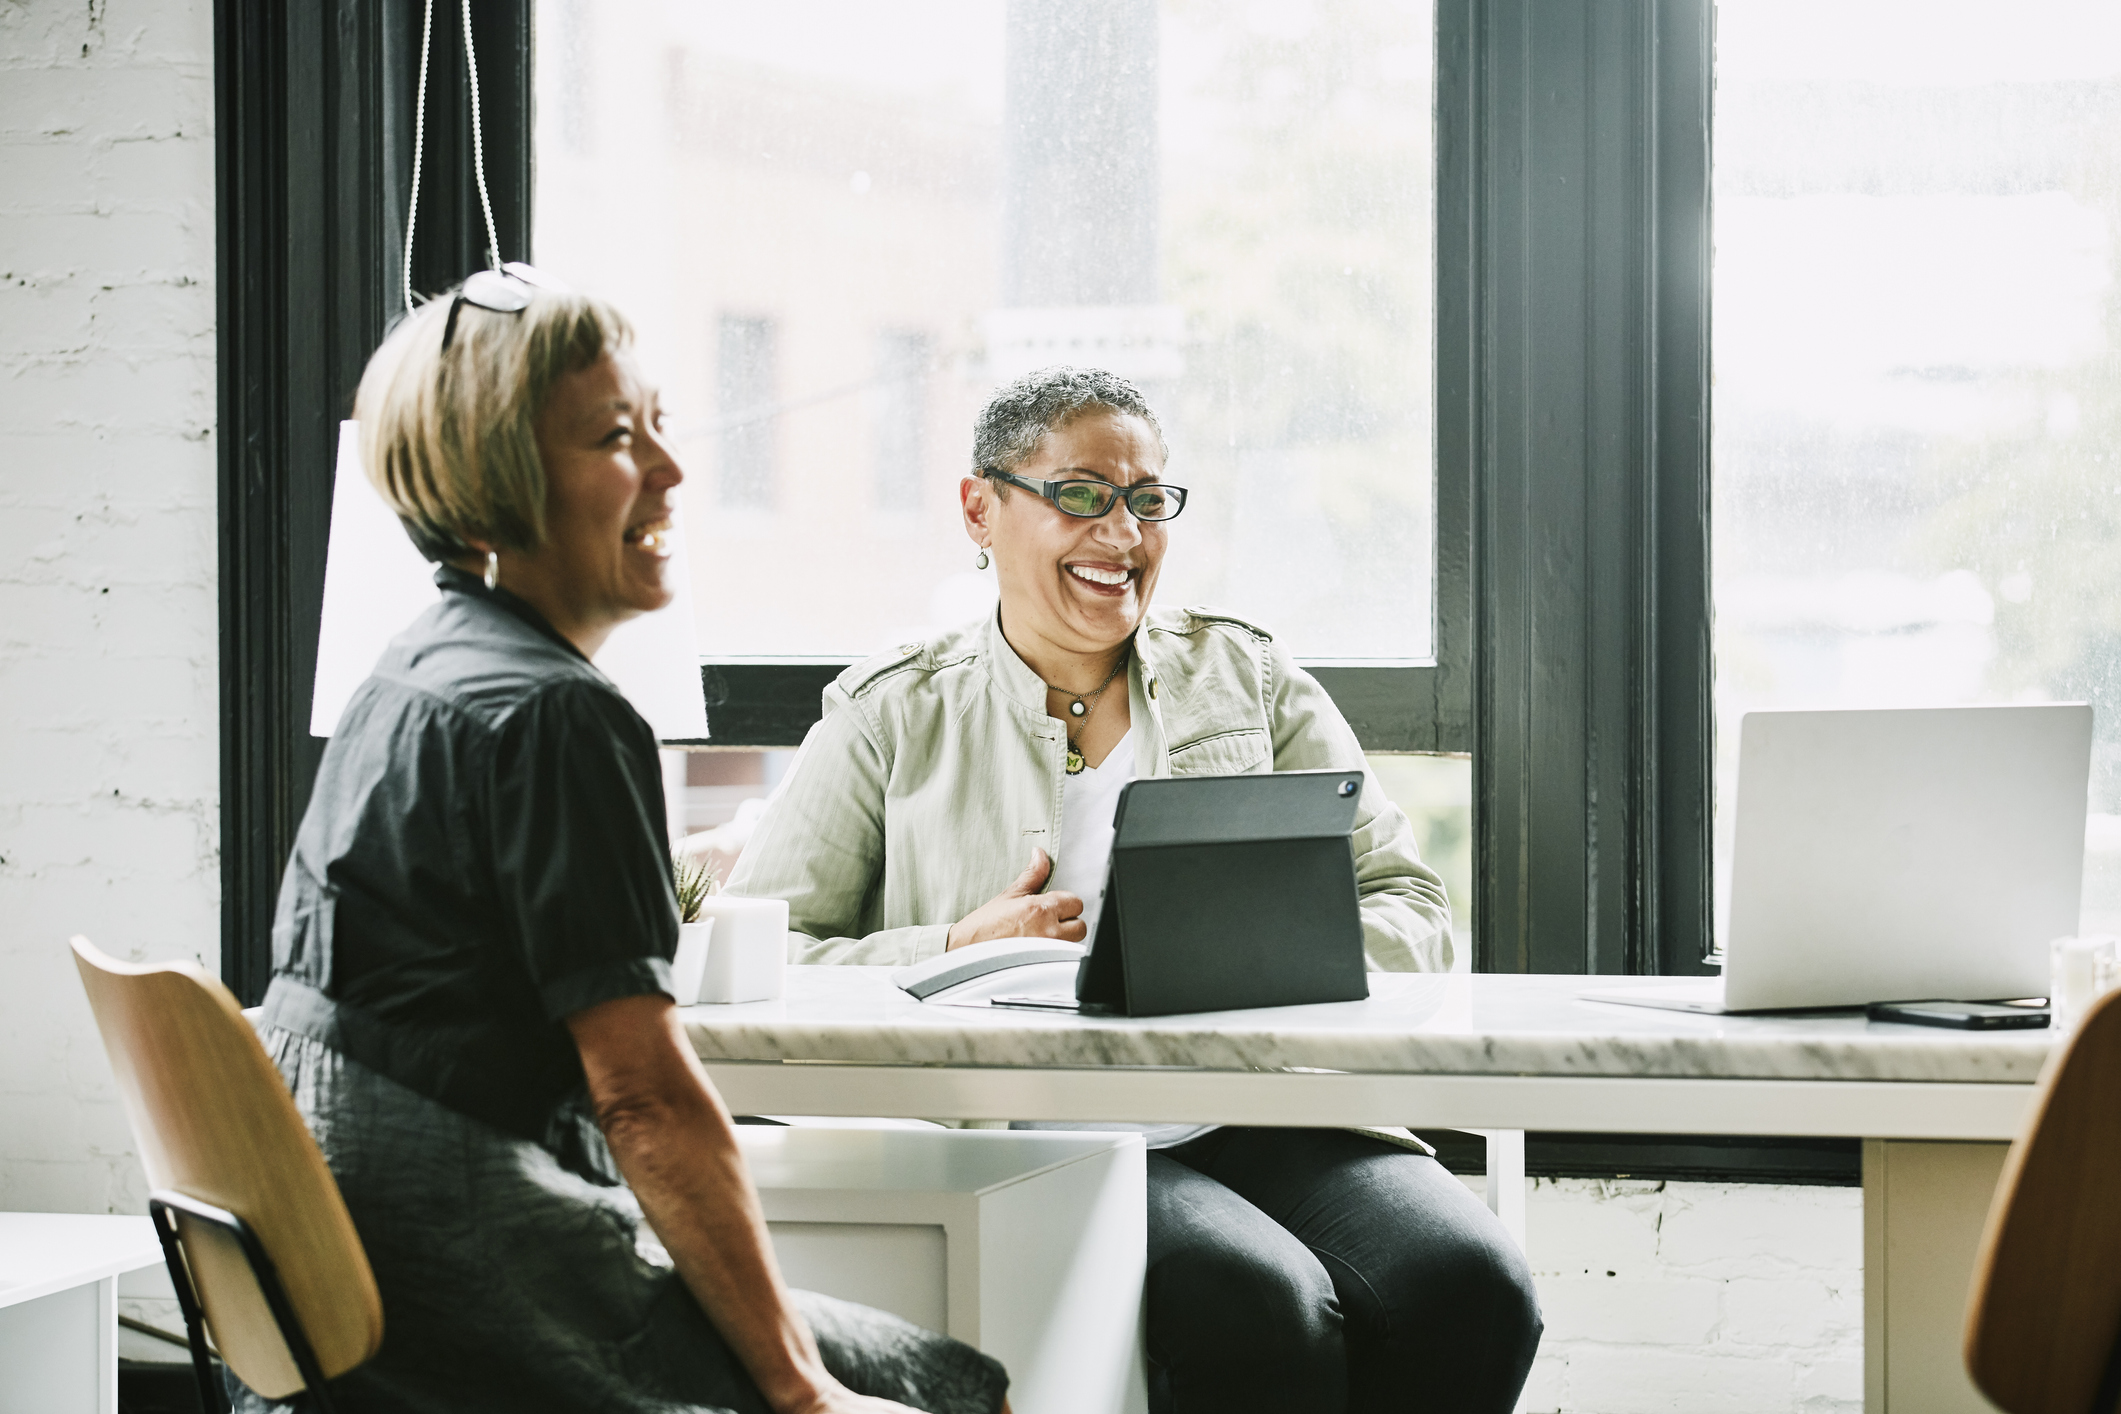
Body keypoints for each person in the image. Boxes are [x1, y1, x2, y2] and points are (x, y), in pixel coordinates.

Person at [244, 270, 1010, 1414]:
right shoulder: (560, 715)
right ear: (496, 484)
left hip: (343, 1259)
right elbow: (645, 1101)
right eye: (615, 437)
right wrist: (802, 1390)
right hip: (461, 1256)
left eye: (660, 424)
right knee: (954, 1386)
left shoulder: (409, 671)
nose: (673, 470)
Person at [727, 367, 1542, 1413]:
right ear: (980, 507)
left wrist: (1262, 948)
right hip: (1035, 1131)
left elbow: (1411, 908)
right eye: (1082, 495)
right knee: (1258, 1299)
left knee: (1472, 1284)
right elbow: (766, 958)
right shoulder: (891, 713)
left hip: (1264, 1105)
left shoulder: (1247, 677)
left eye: (1147, 500)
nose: (1123, 532)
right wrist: (949, 949)